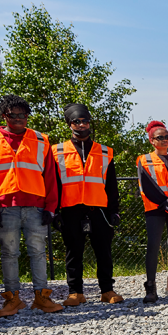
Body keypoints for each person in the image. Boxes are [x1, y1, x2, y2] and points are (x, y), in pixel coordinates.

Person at [0, 94, 63, 316]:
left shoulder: (41, 140)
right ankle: (13, 300)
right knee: (9, 253)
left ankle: (42, 298)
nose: (19, 119)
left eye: (23, 115)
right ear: (4, 116)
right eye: (14, 115)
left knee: (38, 252)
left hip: (36, 207)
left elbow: (50, 176)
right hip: (5, 208)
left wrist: (51, 207)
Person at [55, 103, 123, 305]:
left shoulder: (105, 152)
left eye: (85, 121)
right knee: (73, 252)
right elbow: (54, 184)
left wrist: (114, 211)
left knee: (104, 252)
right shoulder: (57, 151)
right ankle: (75, 292)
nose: (82, 124)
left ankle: (107, 290)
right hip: (70, 209)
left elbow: (111, 185)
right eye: (76, 121)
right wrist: (54, 211)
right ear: (69, 124)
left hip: (99, 209)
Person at [136, 121, 168, 302]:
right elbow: (147, 186)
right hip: (155, 209)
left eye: (167, 136)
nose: (165, 139)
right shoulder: (143, 160)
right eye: (160, 137)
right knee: (153, 245)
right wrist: (165, 205)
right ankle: (151, 287)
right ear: (152, 140)